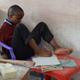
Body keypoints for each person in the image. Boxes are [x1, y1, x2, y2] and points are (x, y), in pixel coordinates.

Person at [0, 4, 72, 60]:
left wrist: (28, 37)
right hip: (18, 53)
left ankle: (57, 48)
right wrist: (3, 54)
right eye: (18, 18)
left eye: (21, 18)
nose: (20, 20)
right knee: (20, 26)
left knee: (41, 25)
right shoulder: (4, 28)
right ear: (10, 16)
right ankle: (38, 51)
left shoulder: (15, 24)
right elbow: (2, 45)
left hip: (27, 48)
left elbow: (25, 37)